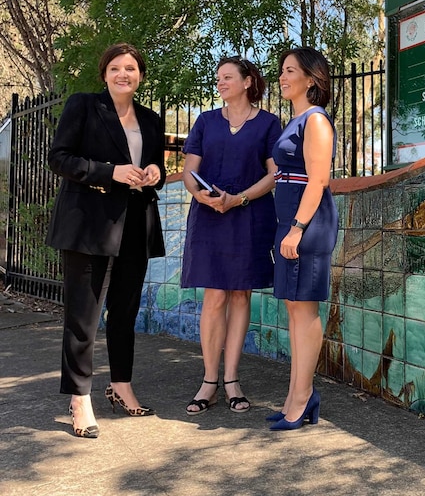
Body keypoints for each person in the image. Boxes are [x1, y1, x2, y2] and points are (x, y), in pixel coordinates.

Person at [46, 43, 166, 438]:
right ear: (104, 74)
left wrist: (153, 172)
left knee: (126, 310)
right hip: (88, 222)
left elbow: (158, 166)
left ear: (140, 76)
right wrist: (109, 172)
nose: (123, 74)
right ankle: (80, 398)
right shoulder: (83, 106)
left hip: (136, 221)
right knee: (83, 316)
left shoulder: (149, 119)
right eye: (115, 67)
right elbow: (59, 158)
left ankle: (121, 385)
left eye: (131, 68)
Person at [181, 56, 280, 415]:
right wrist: (202, 196)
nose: (220, 83)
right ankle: (209, 381)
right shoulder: (205, 121)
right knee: (215, 296)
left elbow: (274, 174)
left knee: (240, 294)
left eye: (227, 77)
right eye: (218, 78)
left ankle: (233, 380)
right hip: (209, 216)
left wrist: (238, 199)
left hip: (250, 214)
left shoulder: (270, 123)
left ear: (248, 81)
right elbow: (189, 170)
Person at [265, 47, 338, 431]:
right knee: (294, 308)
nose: (282, 77)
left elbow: (319, 180)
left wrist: (296, 228)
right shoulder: (294, 121)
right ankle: (297, 395)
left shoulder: (316, 122)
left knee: (305, 308)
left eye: (290, 70)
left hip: (307, 223)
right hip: (290, 221)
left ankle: (303, 396)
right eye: (282, 71)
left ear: (311, 78)